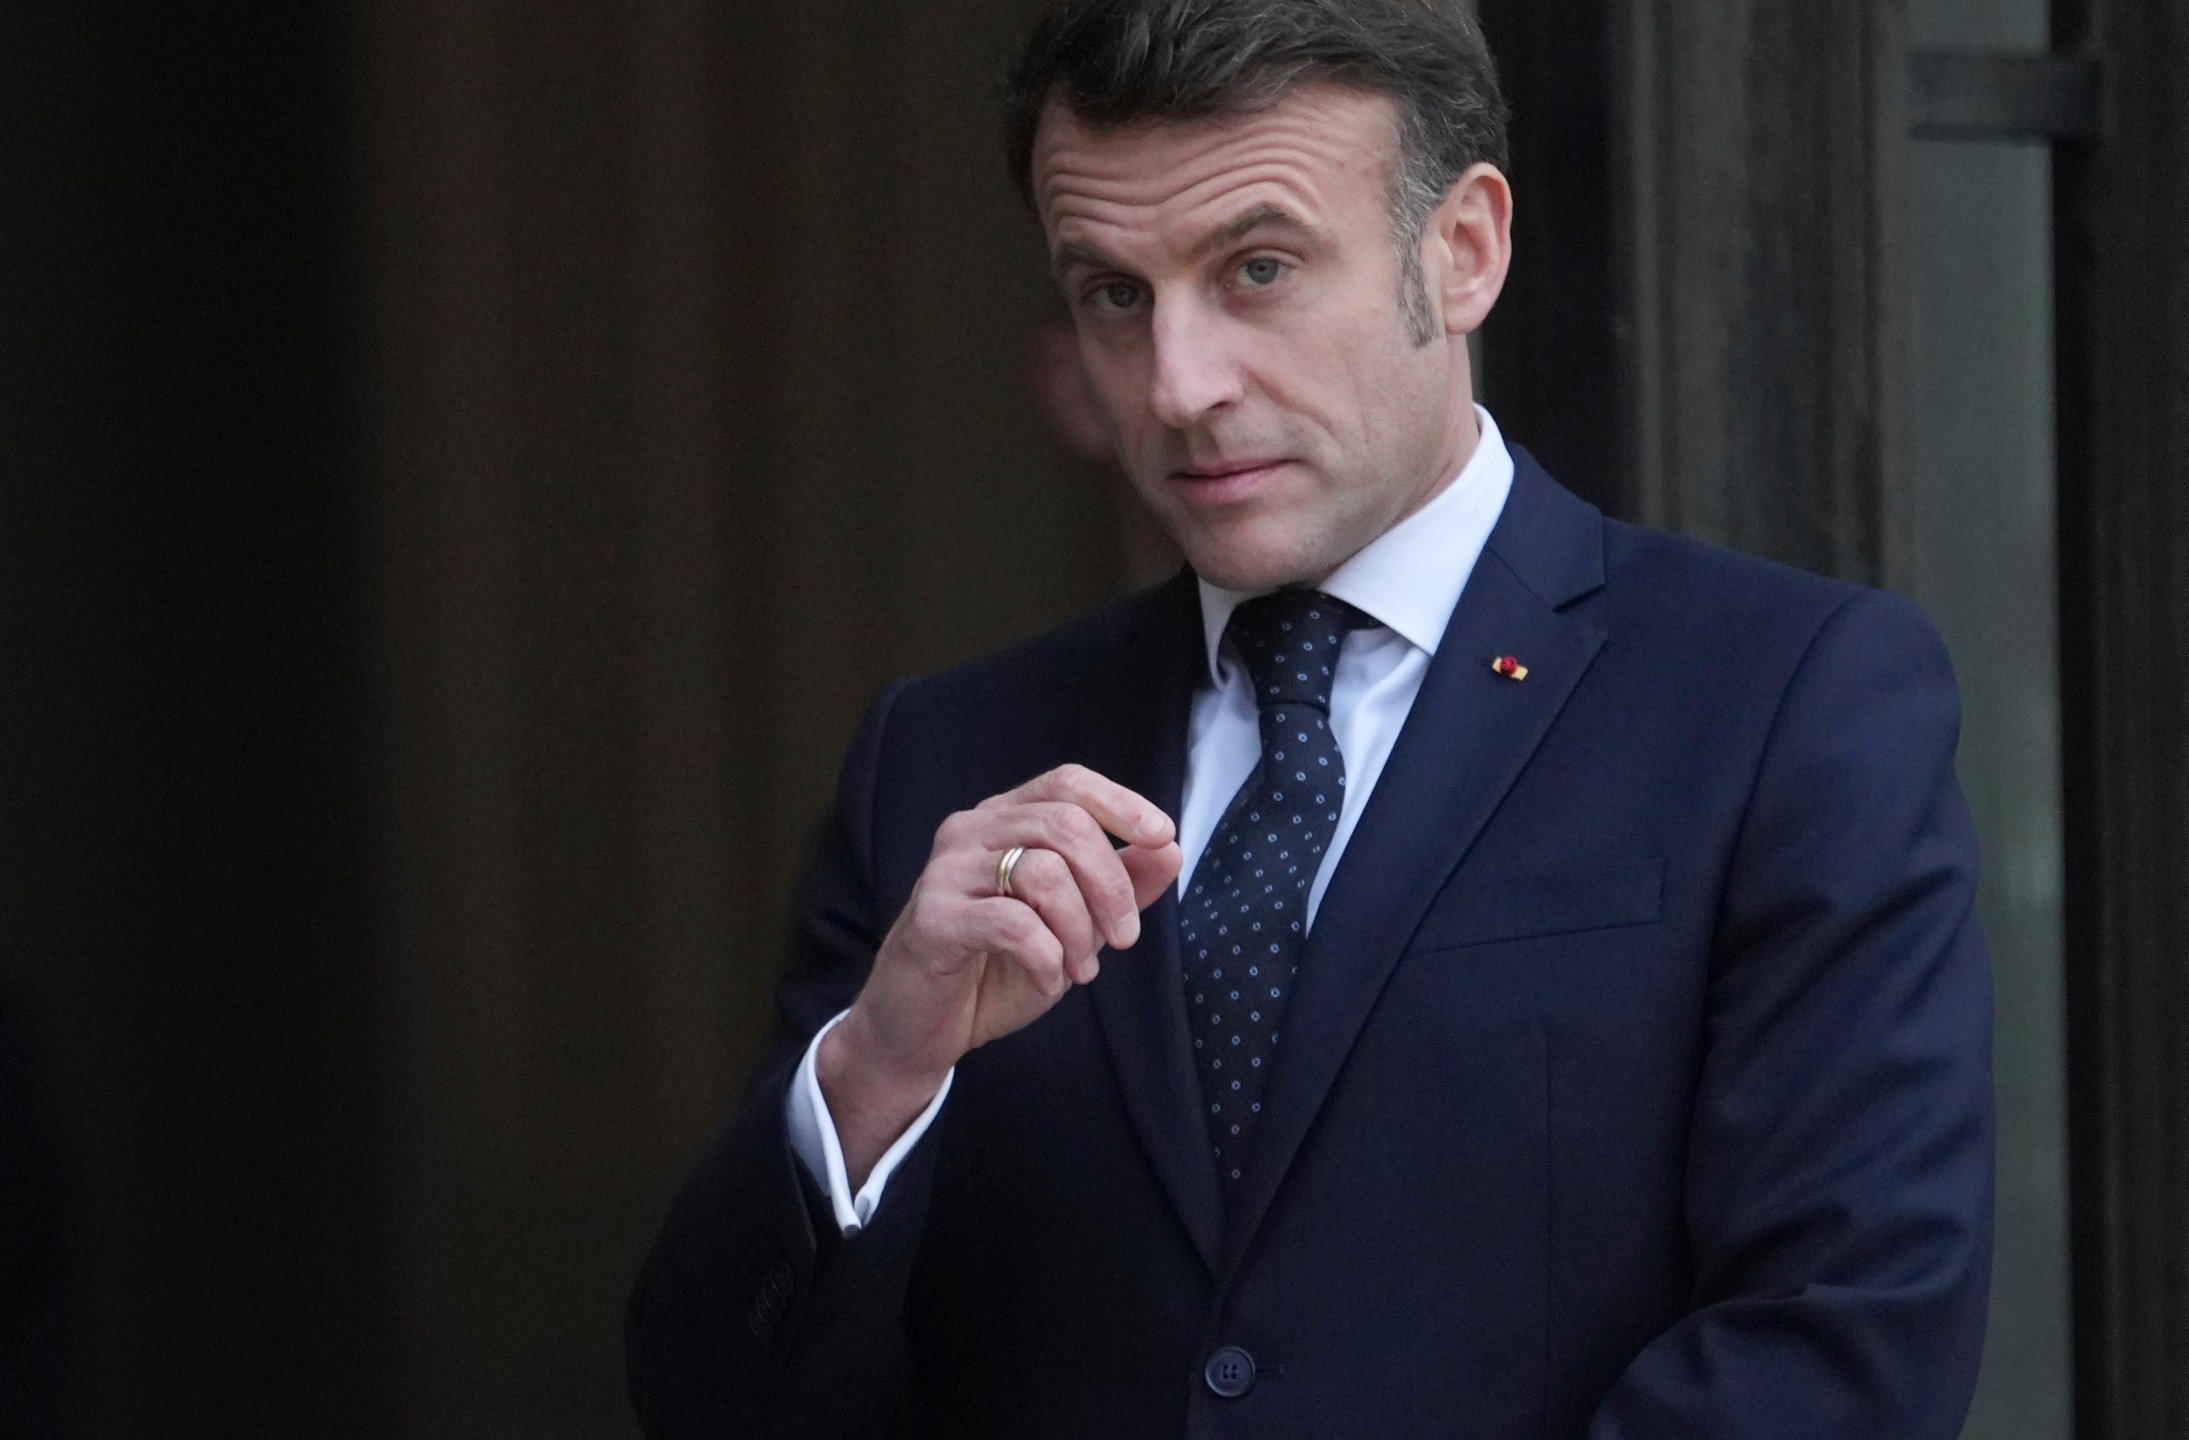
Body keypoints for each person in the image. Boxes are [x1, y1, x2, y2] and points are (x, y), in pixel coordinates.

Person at [627, 1, 1994, 1434]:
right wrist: (872, 1075)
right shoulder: (947, 763)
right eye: (1112, 293)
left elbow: (1840, 1350)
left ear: (1462, 251)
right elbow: (712, 1404)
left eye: (1258, 269)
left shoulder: (1784, 699)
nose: (1178, 384)